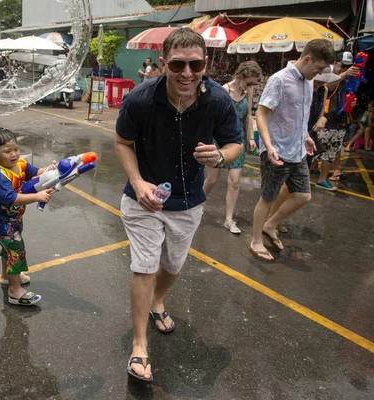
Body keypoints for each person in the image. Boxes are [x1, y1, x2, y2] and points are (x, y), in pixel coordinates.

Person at [115, 28, 243, 382]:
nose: (187, 72)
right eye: (178, 64)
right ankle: (139, 345)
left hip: (188, 201)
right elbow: (123, 142)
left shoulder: (217, 100)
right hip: (144, 200)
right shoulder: (140, 100)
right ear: (163, 64)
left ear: (206, 64)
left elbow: (235, 144)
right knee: (144, 264)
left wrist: (219, 154)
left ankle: (158, 302)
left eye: (196, 63)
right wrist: (138, 182)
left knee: (172, 264)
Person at [249, 39, 335, 261]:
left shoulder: (308, 81)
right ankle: (256, 240)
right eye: (318, 68)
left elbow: (300, 115)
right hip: (276, 150)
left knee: (304, 195)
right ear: (307, 59)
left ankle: (271, 225)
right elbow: (261, 114)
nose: (319, 73)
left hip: (297, 150)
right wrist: (268, 147)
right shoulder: (279, 80)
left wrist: (305, 137)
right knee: (267, 197)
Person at [0, 128, 54, 306]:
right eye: (7, 151)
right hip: (0, 220)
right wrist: (37, 197)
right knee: (16, 249)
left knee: (9, 249)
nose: (14, 154)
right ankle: (14, 290)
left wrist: (50, 169)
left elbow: (36, 171)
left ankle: (6, 277)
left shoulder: (21, 164)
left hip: (14, 219)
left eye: (15, 149)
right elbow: (11, 199)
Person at [203, 61, 262, 234]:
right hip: (219, 140)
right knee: (212, 179)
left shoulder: (247, 92)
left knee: (234, 182)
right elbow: (212, 117)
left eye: (253, 84)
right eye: (249, 82)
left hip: (238, 140)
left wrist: (250, 137)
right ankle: (198, 203)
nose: (251, 87)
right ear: (241, 75)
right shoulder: (223, 91)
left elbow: (248, 116)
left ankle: (229, 219)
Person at [313, 52, 359, 189]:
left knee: (331, 153)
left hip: (339, 122)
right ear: (335, 63)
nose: (346, 69)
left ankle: (322, 179)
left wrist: (352, 103)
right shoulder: (327, 73)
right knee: (312, 151)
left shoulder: (348, 80)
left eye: (348, 66)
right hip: (323, 121)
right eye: (343, 66)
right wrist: (344, 75)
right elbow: (324, 87)